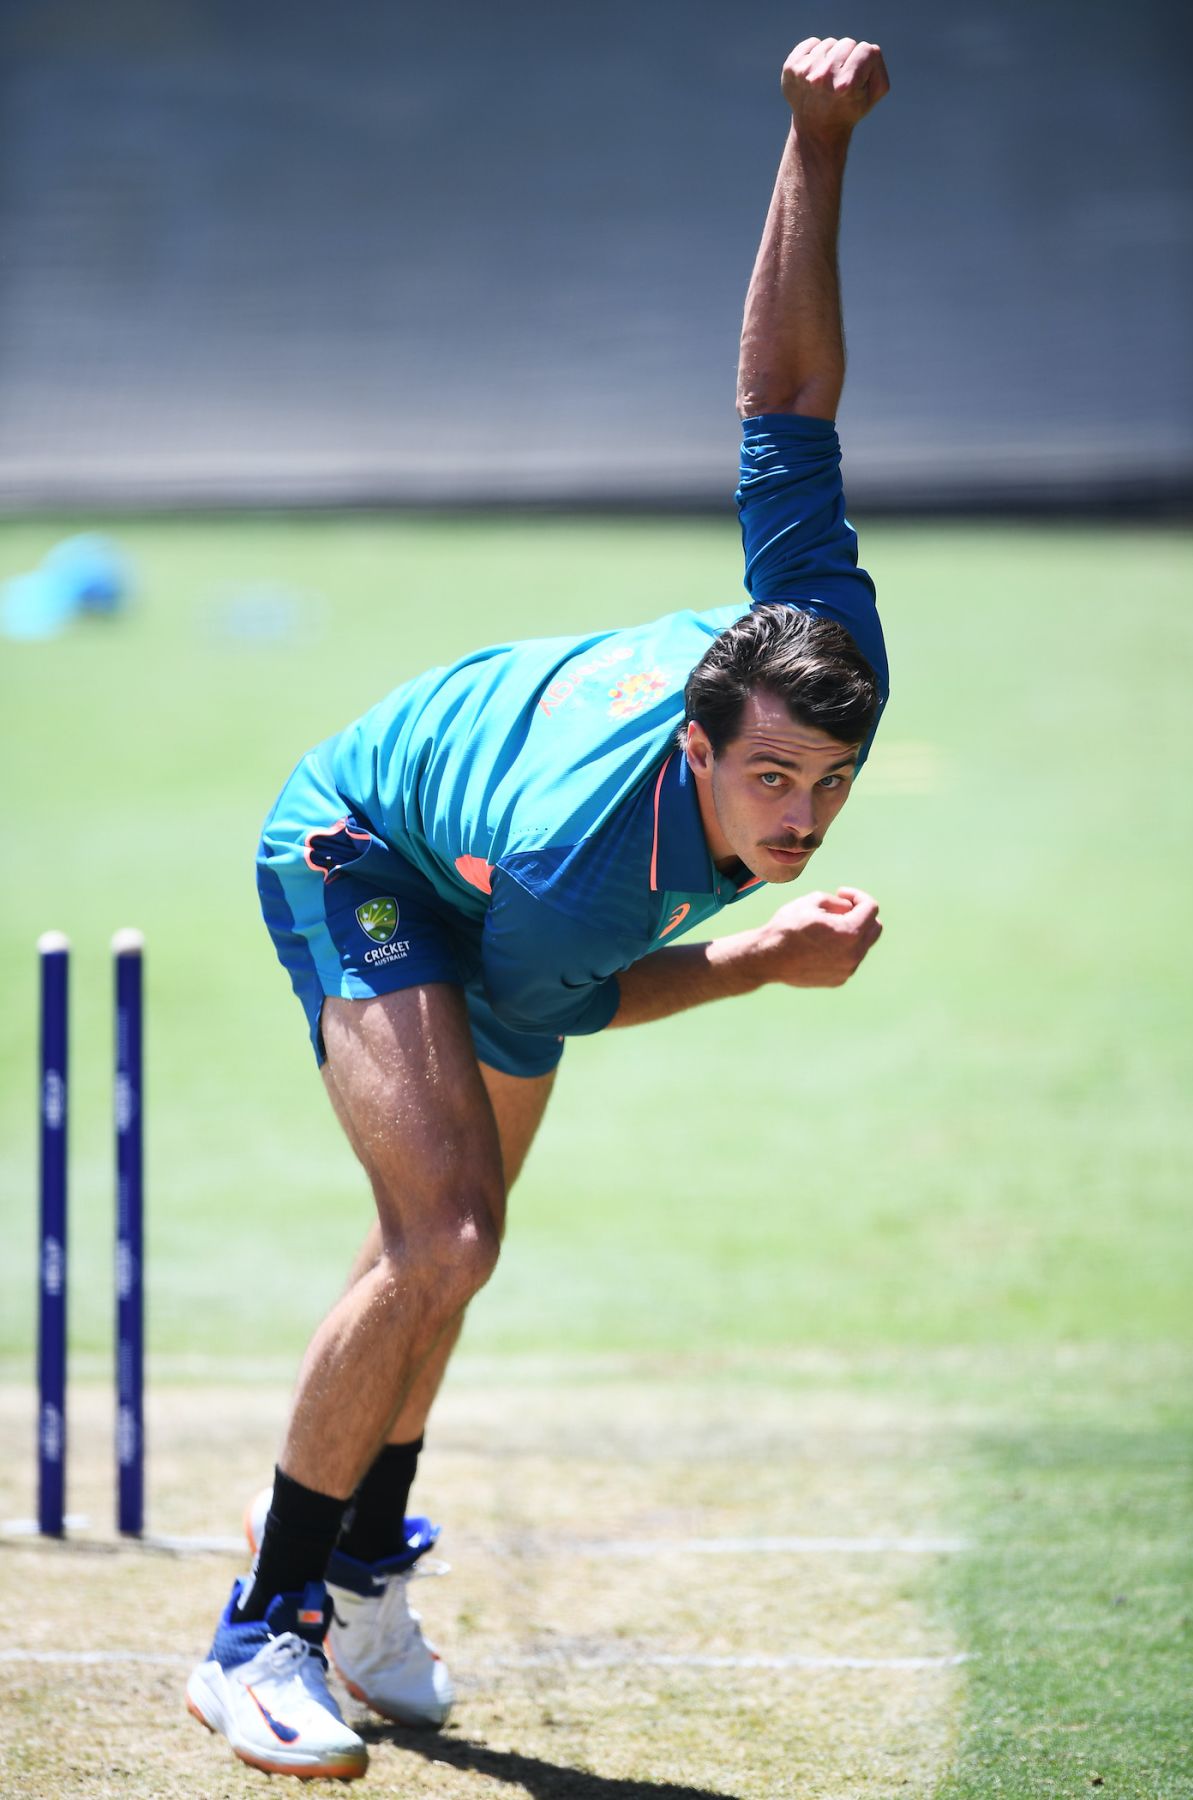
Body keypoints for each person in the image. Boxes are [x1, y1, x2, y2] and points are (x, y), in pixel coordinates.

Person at [186, 34, 891, 1781]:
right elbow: (570, 1000)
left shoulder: (820, 645)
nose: (797, 817)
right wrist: (756, 965)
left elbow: (787, 402)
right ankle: (254, 1635)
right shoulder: (595, 867)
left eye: (828, 787)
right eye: (769, 781)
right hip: (361, 843)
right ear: (698, 726)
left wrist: (815, 142)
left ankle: (360, 1569)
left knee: (451, 1236)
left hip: (493, 860)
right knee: (449, 1238)